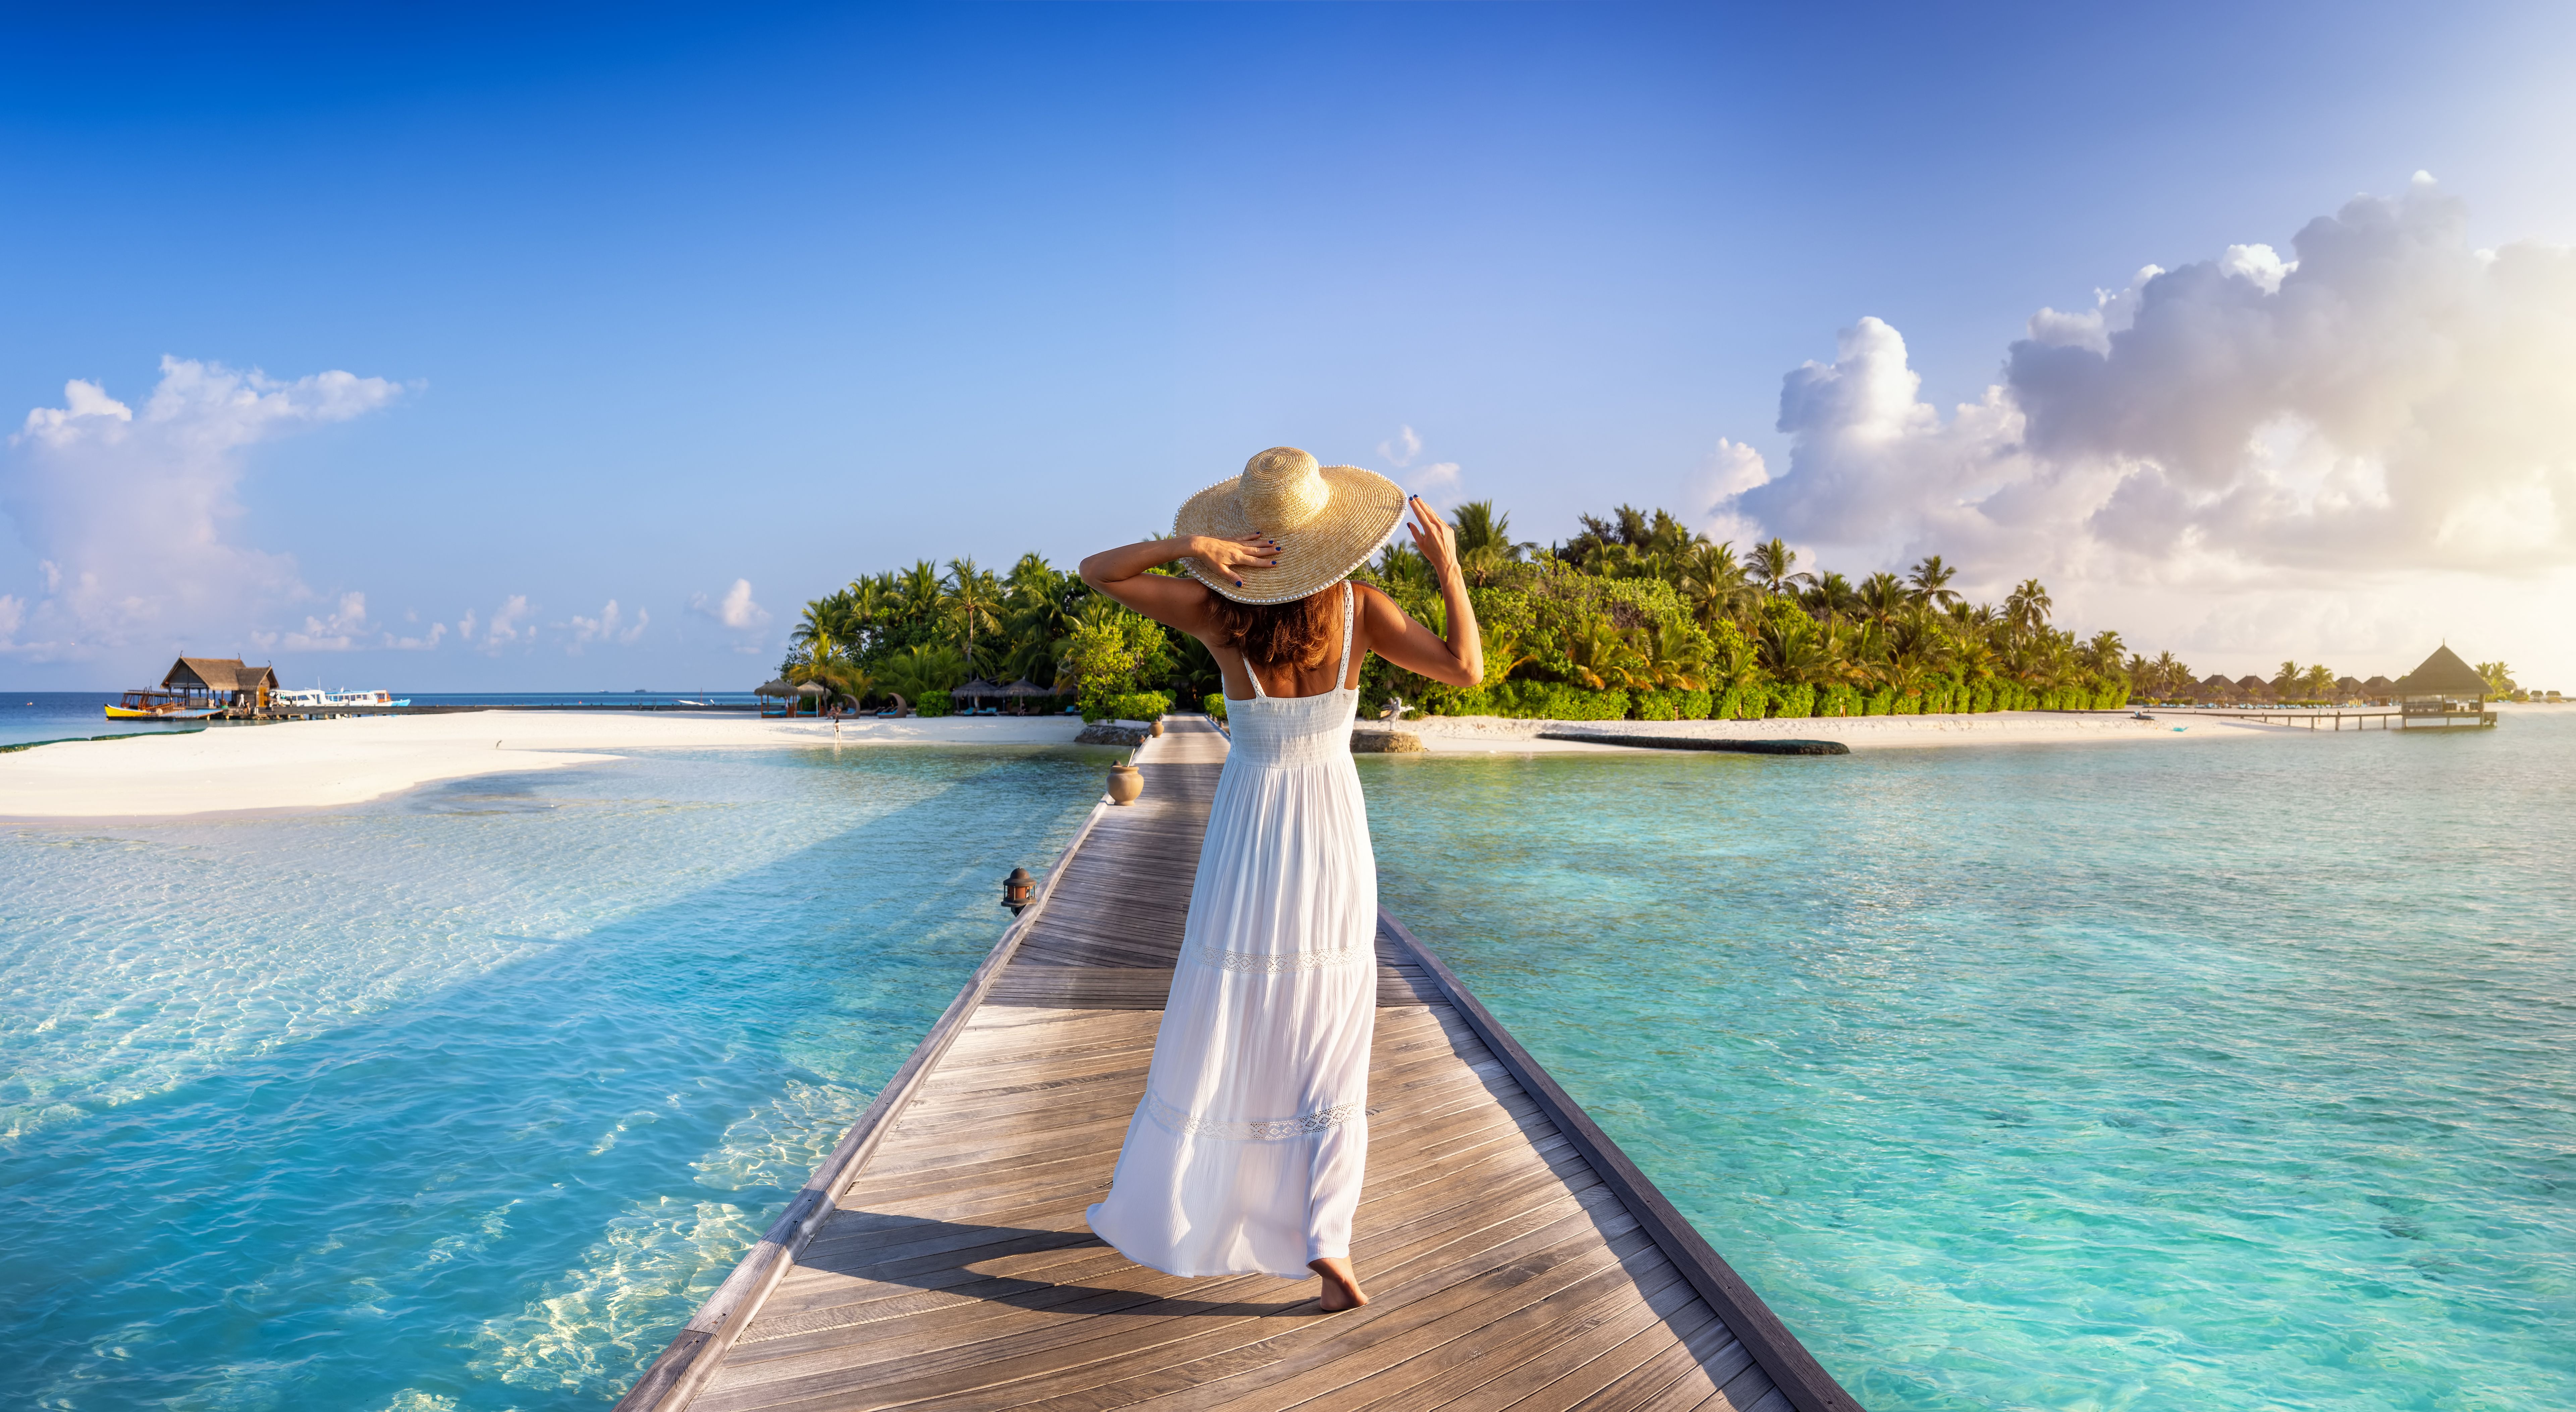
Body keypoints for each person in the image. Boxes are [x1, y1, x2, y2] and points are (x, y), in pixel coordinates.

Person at [1076, 446, 1483, 1312]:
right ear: (1330, 539)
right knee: (1333, 1023)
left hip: (1250, 830)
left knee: (1236, 1007)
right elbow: (1465, 667)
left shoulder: (1219, 614)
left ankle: (1206, 1199)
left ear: (1250, 536)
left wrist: (1193, 548)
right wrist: (1449, 571)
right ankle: (1326, 1237)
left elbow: (1097, 571)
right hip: (1332, 829)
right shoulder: (1363, 608)